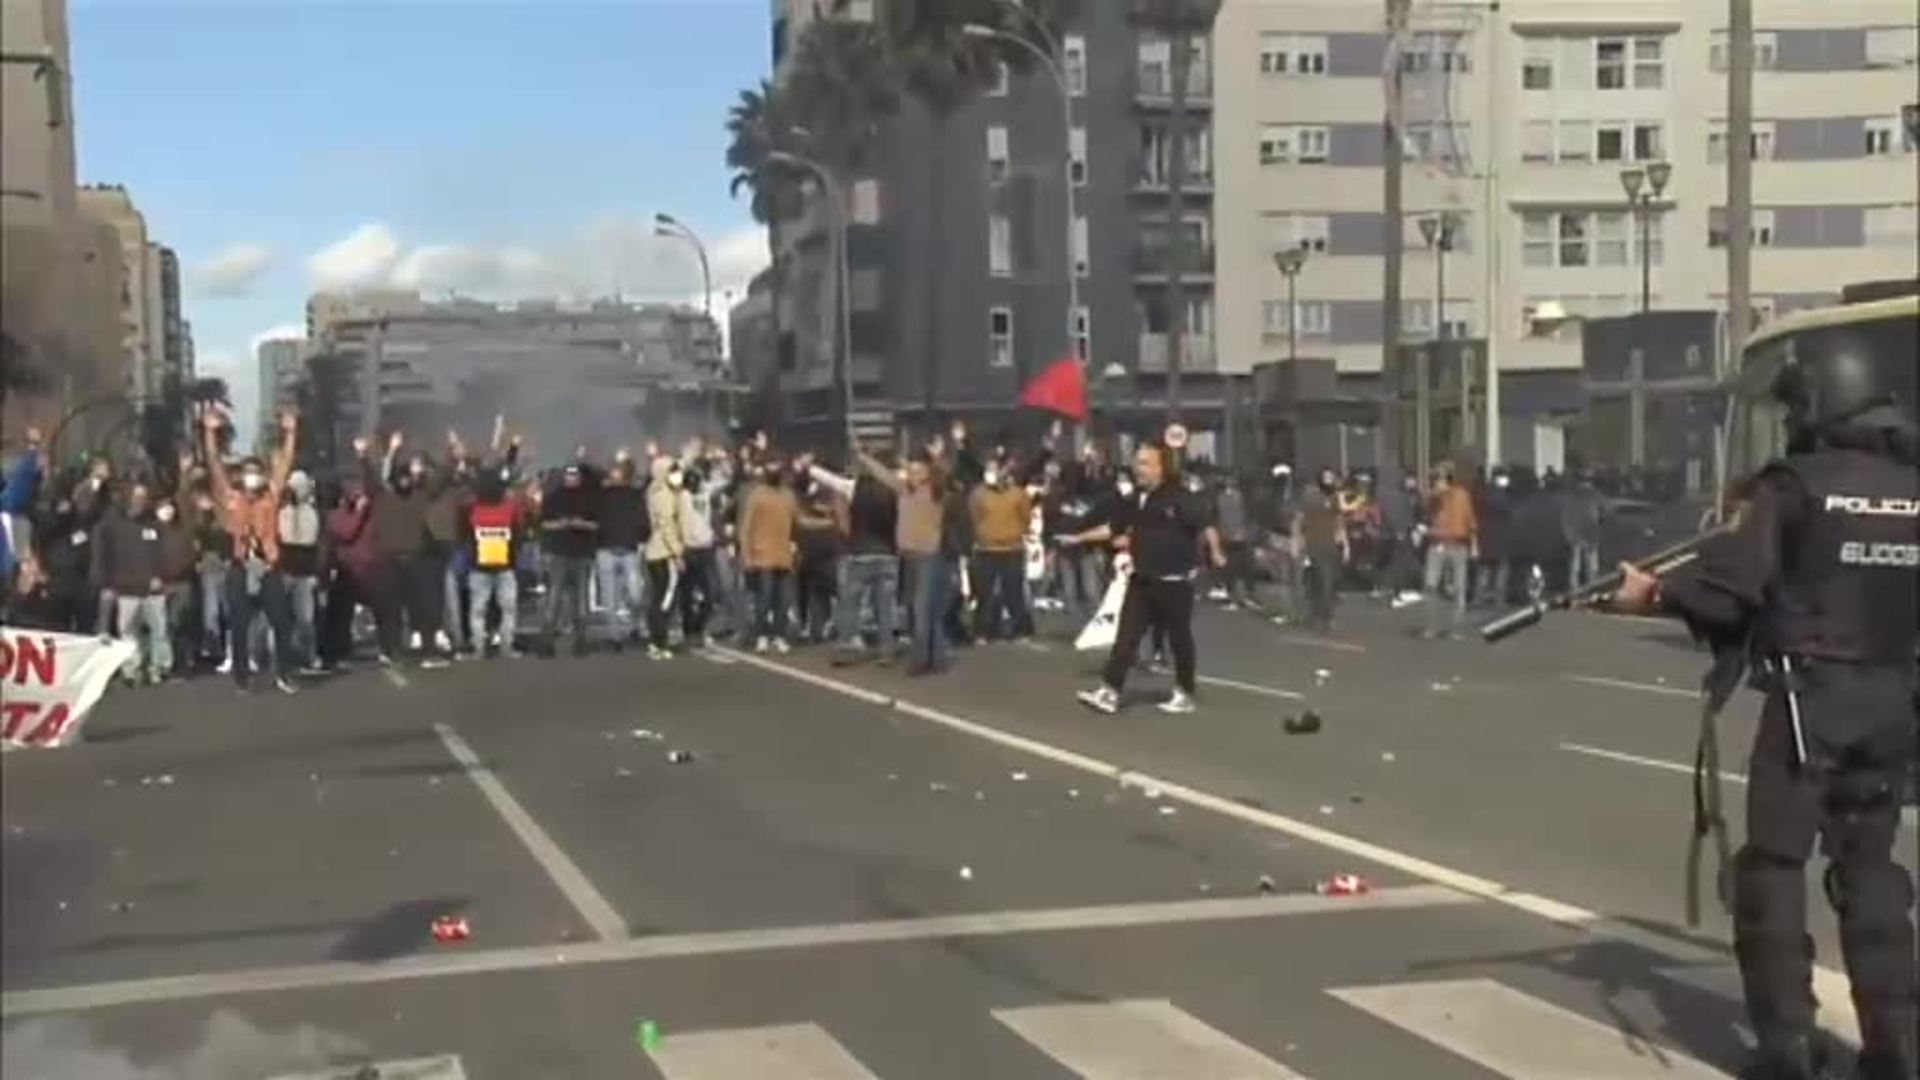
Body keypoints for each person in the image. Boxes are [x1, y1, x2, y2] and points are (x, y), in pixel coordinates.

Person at [1612, 339, 1916, 1080]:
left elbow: (1730, 592)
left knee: (1773, 869)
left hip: (1810, 706)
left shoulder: (1794, 486)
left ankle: (1788, 1046)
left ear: (1821, 401)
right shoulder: (1913, 488)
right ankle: (1899, 1048)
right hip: (1893, 704)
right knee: (1871, 873)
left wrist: (1655, 594)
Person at [1067, 441, 1225, 715]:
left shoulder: (1179, 497)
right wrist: (1079, 538)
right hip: (1142, 580)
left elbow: (1206, 523)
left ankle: (1184, 692)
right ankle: (1109, 691)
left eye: (1145, 463)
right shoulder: (1134, 499)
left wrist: (1216, 551)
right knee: (1126, 637)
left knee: (1179, 640)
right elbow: (1112, 528)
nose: (1138, 469)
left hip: (1174, 582)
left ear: (1161, 468)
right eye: (1136, 462)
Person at [203, 407, 300, 694]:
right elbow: (214, 464)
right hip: (240, 564)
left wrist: (290, 432)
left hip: (269, 565)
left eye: (257, 473)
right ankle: (241, 677)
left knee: (281, 621)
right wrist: (209, 432)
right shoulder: (232, 497)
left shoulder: (271, 496)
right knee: (239, 624)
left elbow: (285, 463)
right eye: (248, 473)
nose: (252, 478)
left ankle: (284, 673)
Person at [91, 480, 171, 685]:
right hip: (125, 587)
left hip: (153, 588)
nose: (140, 501)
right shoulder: (111, 524)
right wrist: (106, 583)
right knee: (128, 633)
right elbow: (102, 555)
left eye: (143, 497)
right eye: (136, 496)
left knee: (159, 631)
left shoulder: (154, 524)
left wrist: (161, 576)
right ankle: (131, 670)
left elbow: (164, 552)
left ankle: (158, 668)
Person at [541, 461, 602, 658]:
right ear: (563, 477)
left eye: (575, 475)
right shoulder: (553, 498)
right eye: (569, 475)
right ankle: (547, 643)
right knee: (554, 599)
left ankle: (581, 643)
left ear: (580, 477)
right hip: (559, 554)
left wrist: (581, 524)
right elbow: (544, 524)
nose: (572, 478)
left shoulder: (590, 498)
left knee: (582, 601)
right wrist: (562, 524)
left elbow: (598, 525)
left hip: (582, 554)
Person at [738, 457, 798, 652]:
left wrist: (826, 522)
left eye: (777, 467)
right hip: (762, 556)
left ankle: (779, 635)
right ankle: (761, 635)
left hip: (783, 556)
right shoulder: (757, 495)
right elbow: (746, 528)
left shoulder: (788, 495)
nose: (774, 471)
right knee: (764, 599)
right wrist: (747, 557)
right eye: (771, 467)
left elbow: (798, 520)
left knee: (784, 600)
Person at [465, 462, 525, 658]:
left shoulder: (471, 508)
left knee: (478, 610)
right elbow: (519, 532)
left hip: (480, 566)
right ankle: (506, 648)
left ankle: (478, 649)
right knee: (508, 609)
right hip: (504, 566)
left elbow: (464, 533)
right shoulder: (510, 508)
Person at [596, 451, 649, 646]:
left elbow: (643, 521)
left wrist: (641, 539)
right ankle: (614, 635)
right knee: (611, 596)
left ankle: (635, 626)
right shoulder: (603, 494)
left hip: (626, 549)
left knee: (634, 594)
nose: (616, 473)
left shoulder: (634, 495)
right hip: (608, 548)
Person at [1420, 465, 1478, 640]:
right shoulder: (1433, 497)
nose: (1437, 482)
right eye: (1436, 479)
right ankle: (1432, 627)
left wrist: (1474, 545)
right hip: (1438, 543)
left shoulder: (1462, 495)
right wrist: (1434, 496)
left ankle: (1455, 629)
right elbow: (1425, 512)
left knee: (1459, 589)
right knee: (1431, 586)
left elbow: (1470, 520)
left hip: (1457, 544)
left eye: (1440, 479)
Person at [278, 469, 326, 672]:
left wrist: (318, 573)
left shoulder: (313, 513)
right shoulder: (282, 512)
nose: (297, 491)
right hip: (284, 570)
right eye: (293, 487)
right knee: (281, 618)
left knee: (306, 619)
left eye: (300, 487)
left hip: (306, 573)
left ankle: (310, 656)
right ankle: (283, 656)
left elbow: (318, 545)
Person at [642, 454, 685, 659]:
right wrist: (677, 553)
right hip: (664, 552)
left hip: (654, 551)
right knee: (666, 599)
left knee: (657, 597)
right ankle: (659, 641)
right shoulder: (664, 495)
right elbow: (668, 526)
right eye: (672, 471)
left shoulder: (653, 491)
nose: (676, 475)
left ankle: (656, 640)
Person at [1295, 469, 1347, 632]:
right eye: (1326, 478)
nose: (1329, 481)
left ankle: (1320, 615)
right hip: (1313, 544)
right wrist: (1296, 540)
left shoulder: (1335, 497)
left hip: (1330, 544)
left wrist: (1345, 544)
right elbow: (1299, 519)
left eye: (1331, 478)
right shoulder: (1310, 497)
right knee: (1321, 580)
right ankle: (1322, 616)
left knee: (1327, 581)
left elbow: (1339, 520)